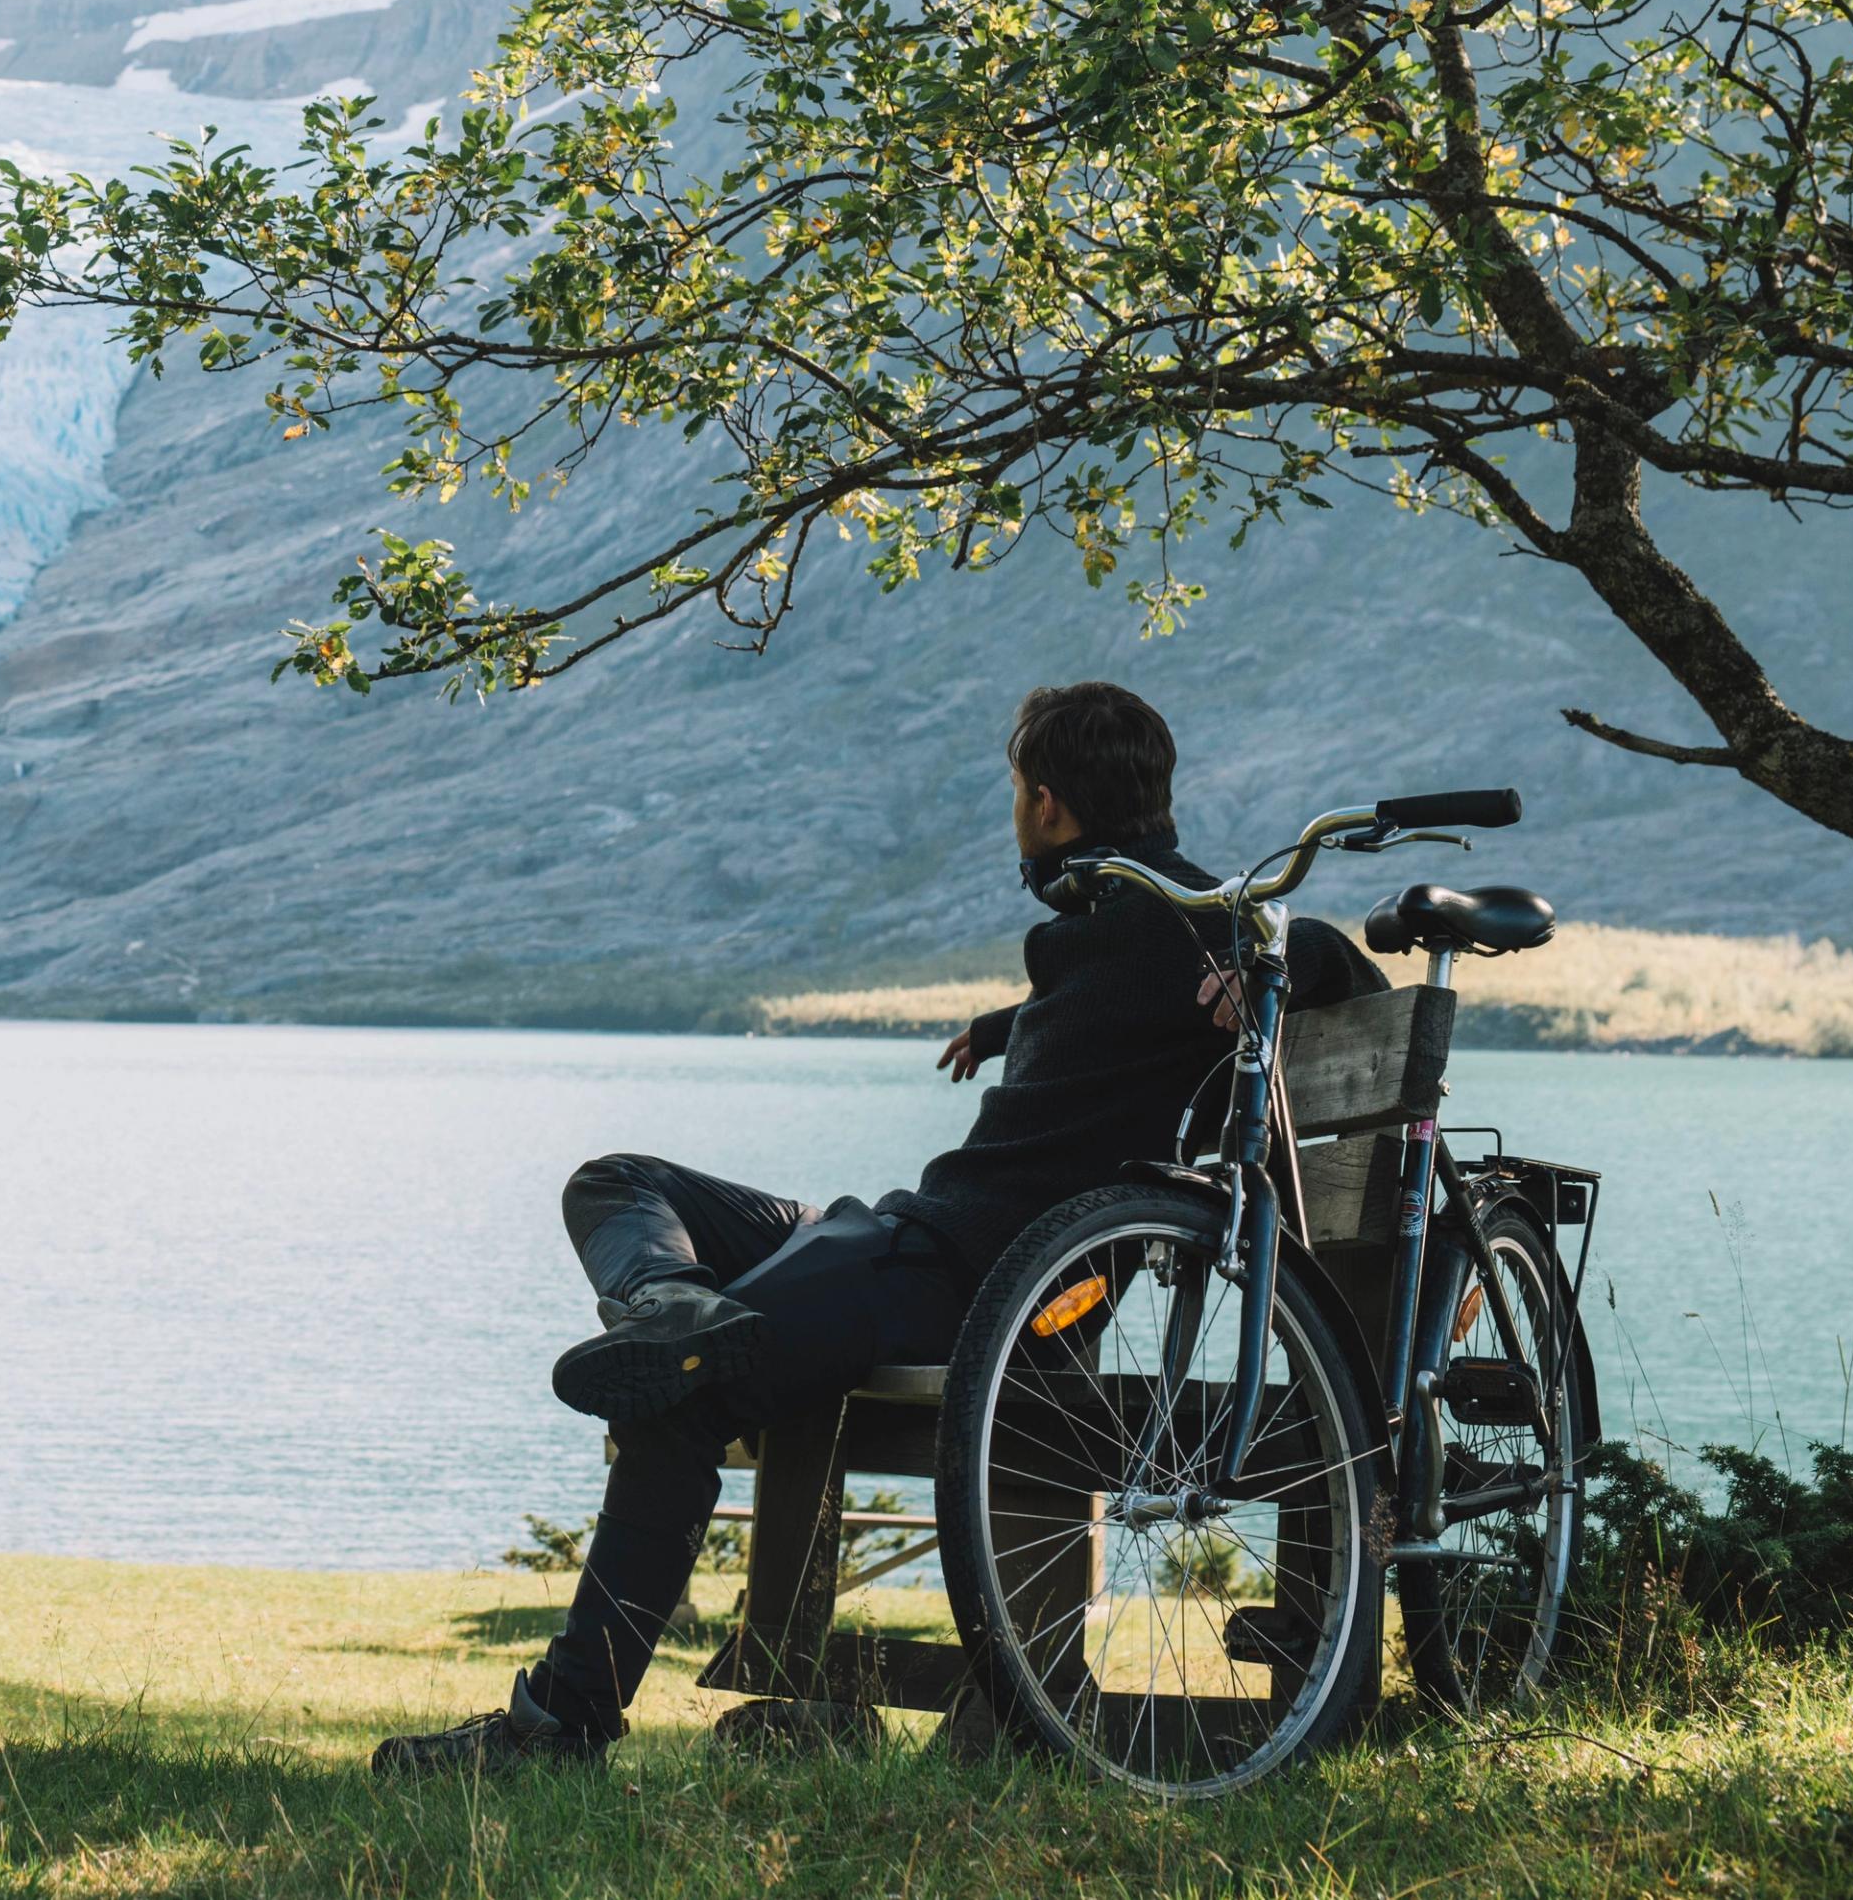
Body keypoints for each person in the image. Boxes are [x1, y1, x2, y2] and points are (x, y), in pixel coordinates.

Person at [372, 681, 1382, 1774]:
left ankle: (562, 1725)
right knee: (620, 1181)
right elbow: (1178, 988)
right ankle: (673, 1303)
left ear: (1045, 804)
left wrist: (1303, 961)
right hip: (906, 1240)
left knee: (681, 1395)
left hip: (960, 1274)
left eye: (1015, 794)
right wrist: (1019, 1023)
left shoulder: (1192, 923)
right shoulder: (1136, 924)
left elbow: (1309, 946)